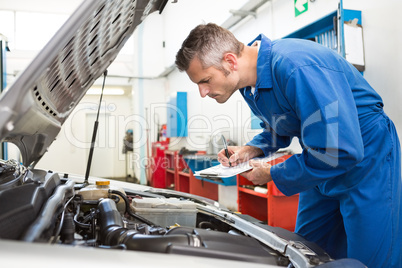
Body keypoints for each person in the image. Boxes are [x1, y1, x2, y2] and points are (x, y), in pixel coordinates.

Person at [175, 23, 401, 267]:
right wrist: (252, 149)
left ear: (230, 61)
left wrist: (273, 173)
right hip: (320, 158)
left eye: (205, 80)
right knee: (306, 249)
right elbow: (282, 125)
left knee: (370, 257)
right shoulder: (250, 86)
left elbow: (341, 149)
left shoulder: (295, 67)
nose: (202, 92)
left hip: (365, 155)